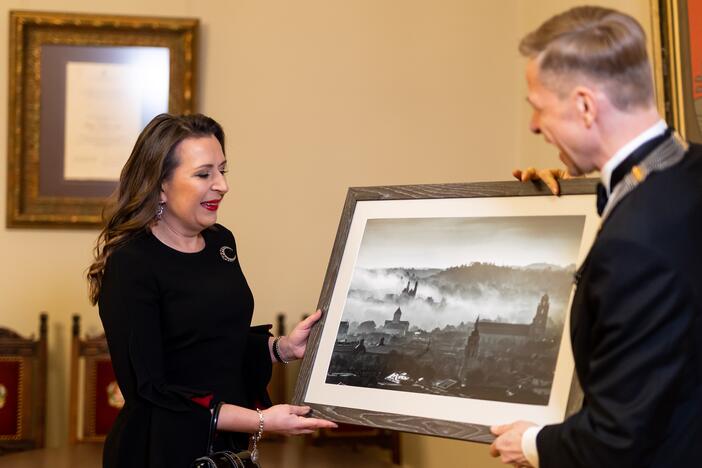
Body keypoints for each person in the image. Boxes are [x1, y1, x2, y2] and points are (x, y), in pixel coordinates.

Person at [489, 6, 702, 468]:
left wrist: (531, 444)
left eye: (538, 107)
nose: (532, 126)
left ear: (585, 105)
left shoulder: (633, 247)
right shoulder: (687, 168)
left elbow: (619, 437)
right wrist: (576, 198)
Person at [87, 113, 336, 468]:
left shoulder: (222, 243)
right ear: (160, 184)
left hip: (225, 453)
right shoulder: (131, 263)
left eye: (222, 171)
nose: (222, 185)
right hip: (160, 453)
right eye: (204, 174)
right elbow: (152, 391)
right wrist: (262, 421)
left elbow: (213, 345)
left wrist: (281, 348)